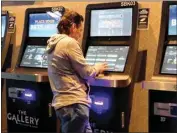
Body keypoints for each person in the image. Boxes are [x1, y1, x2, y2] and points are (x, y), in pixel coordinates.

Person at [46, 10, 108, 133]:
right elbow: (87, 72)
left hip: (64, 103)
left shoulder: (54, 42)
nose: (80, 35)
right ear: (74, 27)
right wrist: (98, 67)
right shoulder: (69, 42)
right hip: (74, 104)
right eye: (80, 30)